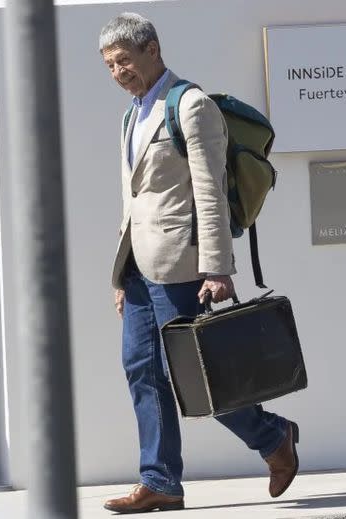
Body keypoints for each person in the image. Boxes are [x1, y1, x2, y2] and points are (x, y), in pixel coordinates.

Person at [99, 13, 299, 513]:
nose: (118, 71)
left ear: (152, 49)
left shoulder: (191, 106)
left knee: (200, 373)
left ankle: (273, 437)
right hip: (140, 271)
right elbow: (133, 204)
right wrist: (121, 274)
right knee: (141, 371)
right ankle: (160, 481)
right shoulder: (132, 114)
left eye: (124, 60)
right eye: (110, 65)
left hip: (183, 266)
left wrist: (217, 267)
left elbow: (209, 195)